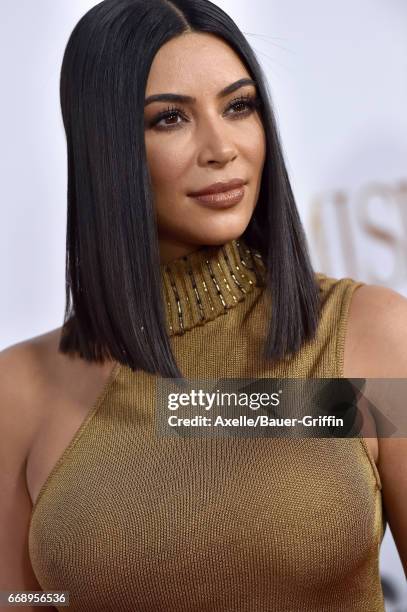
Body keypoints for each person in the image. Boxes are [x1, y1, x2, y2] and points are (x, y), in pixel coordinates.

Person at [1, 0, 406, 610]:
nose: (221, 147)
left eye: (239, 106)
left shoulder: (368, 334)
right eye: (169, 119)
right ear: (104, 146)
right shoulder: (20, 387)